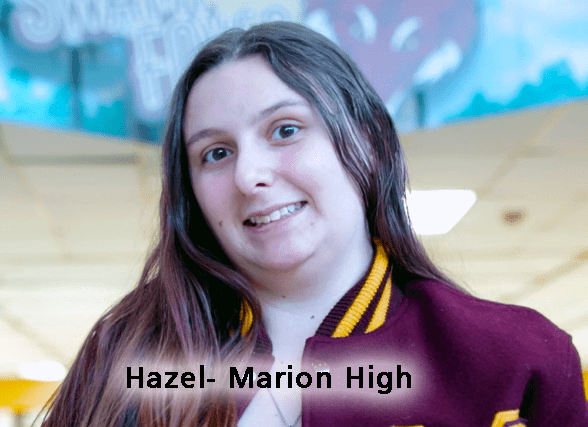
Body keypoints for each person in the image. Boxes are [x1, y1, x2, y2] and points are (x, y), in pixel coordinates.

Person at [40, 21, 587, 427]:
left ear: (368, 142)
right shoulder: (126, 349)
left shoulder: (516, 357)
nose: (249, 175)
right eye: (215, 153)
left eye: (285, 130)